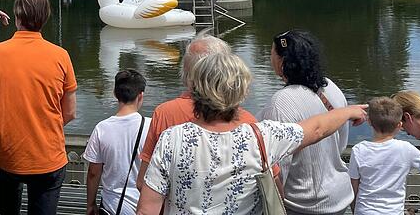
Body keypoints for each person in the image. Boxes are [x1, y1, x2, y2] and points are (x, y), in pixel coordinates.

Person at [137, 52, 368, 215]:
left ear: (194, 89)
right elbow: (317, 128)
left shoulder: (171, 139)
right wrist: (349, 111)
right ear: (242, 93)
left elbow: (147, 209)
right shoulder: (261, 137)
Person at [0, 0, 77, 215]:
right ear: (45, 18)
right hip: (48, 154)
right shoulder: (61, 56)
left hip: (8, 154)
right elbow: (70, 112)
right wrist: (43, 127)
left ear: (17, 17)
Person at [137, 34, 265, 191]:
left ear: (187, 72)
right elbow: (270, 180)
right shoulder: (249, 122)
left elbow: (144, 182)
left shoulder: (166, 113)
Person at [260, 30, 352, 215]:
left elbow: (279, 164)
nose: (270, 57)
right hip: (340, 193)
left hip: (306, 203)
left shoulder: (282, 101)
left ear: (282, 61)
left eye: (272, 52)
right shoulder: (329, 86)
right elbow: (341, 140)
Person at [348, 97, 420, 215]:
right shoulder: (406, 148)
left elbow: (354, 186)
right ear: (399, 125)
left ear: (369, 121)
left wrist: (355, 210)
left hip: (364, 210)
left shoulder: (358, 150)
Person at [84, 70, 150, 215]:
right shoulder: (151, 127)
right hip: (144, 205)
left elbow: (93, 172)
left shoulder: (102, 128)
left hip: (111, 206)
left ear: (115, 93)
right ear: (141, 96)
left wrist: (90, 204)